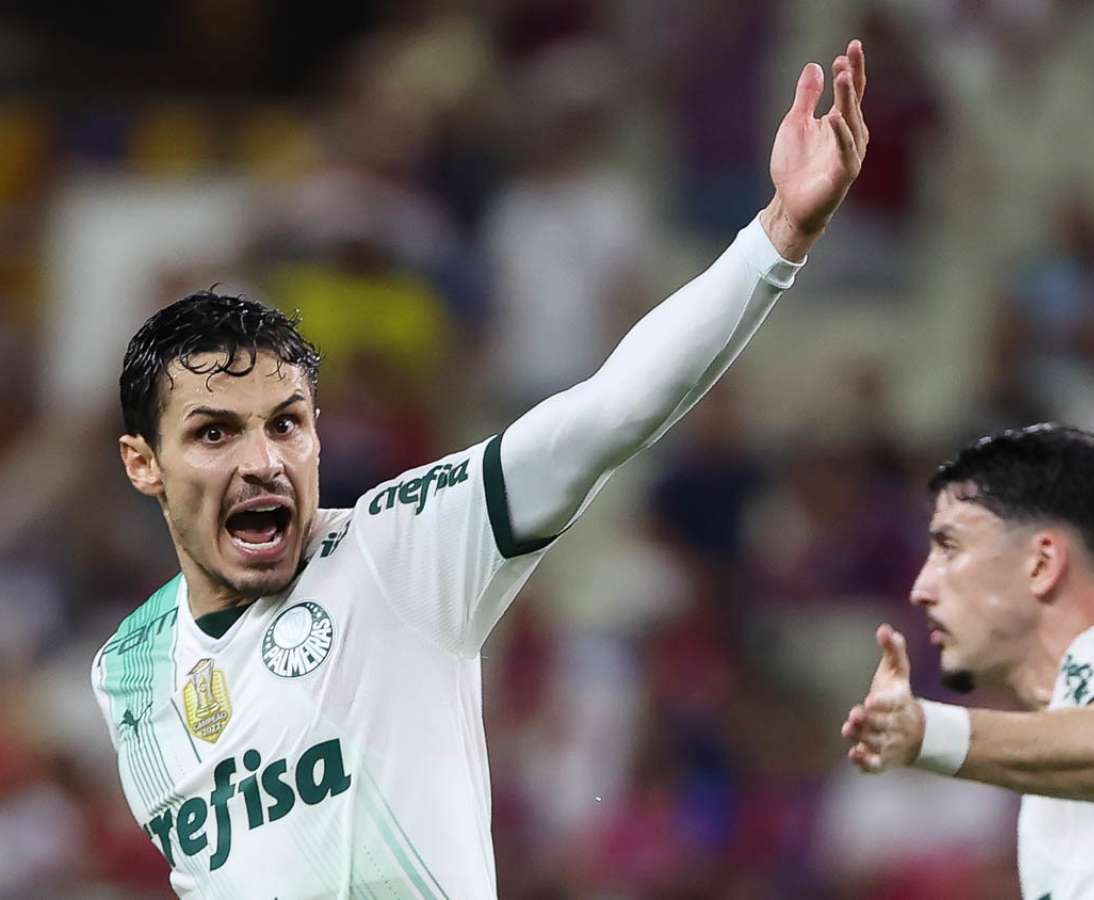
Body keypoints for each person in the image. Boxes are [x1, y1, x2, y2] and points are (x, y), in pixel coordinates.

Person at [91, 42, 869, 898]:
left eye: (287, 424)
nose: (264, 461)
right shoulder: (125, 670)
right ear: (143, 463)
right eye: (215, 433)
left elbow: (609, 410)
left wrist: (777, 237)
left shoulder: (398, 549)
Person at [841, 423, 1094, 899]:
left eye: (949, 547)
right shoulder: (1048, 793)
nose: (921, 588)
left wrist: (927, 732)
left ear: (1041, 564)